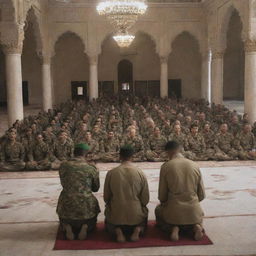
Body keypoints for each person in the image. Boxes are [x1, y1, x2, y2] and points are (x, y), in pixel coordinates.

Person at [155, 141, 205, 241]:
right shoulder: (194, 165)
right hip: (193, 210)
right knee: (197, 216)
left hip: (174, 211)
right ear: (180, 150)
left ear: (168, 152)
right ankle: (196, 226)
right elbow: (202, 195)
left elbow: (162, 196)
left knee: (158, 210)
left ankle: (174, 228)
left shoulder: (166, 166)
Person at [104, 145, 149, 242]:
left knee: (109, 220)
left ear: (120, 157)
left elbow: (106, 198)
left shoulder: (111, 173)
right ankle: (138, 229)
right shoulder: (140, 173)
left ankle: (117, 231)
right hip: (136, 218)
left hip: (116, 217)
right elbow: (145, 199)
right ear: (133, 157)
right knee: (143, 217)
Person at [56, 144, 100, 240]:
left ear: (74, 153)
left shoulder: (63, 165)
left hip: (67, 206)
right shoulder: (91, 168)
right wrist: (97, 171)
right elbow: (95, 188)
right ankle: (86, 226)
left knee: (64, 215)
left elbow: (64, 183)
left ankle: (67, 226)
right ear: (86, 155)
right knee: (93, 207)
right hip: (85, 209)